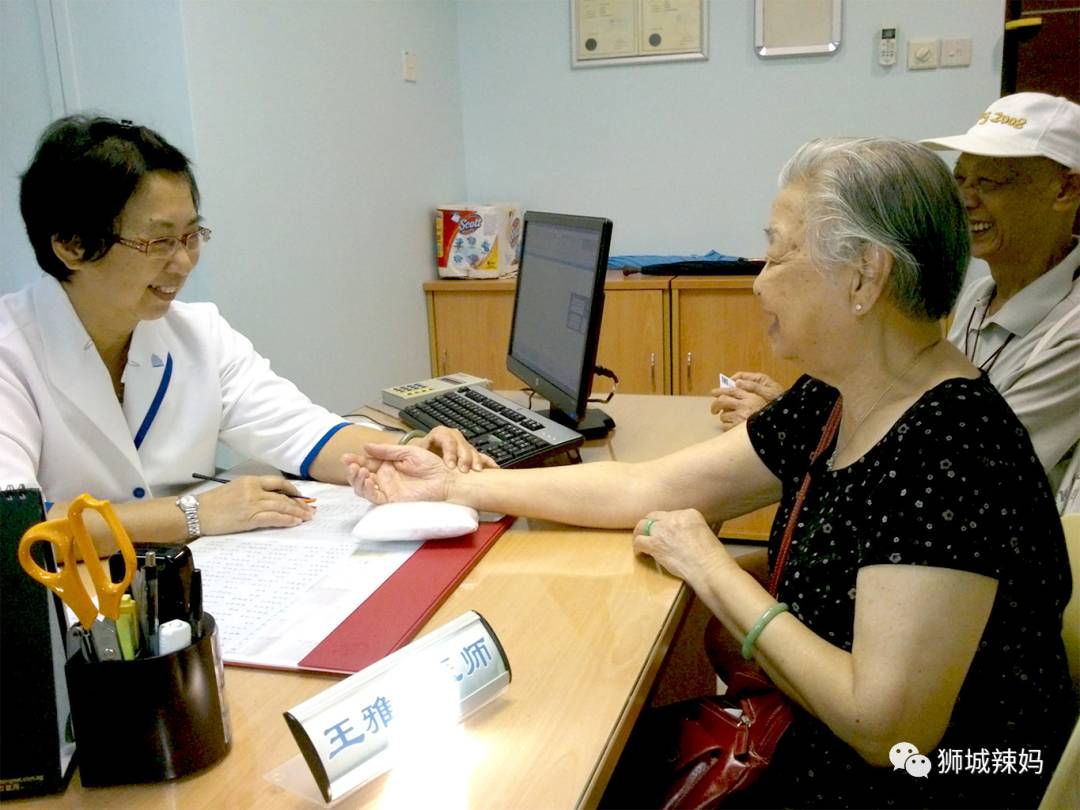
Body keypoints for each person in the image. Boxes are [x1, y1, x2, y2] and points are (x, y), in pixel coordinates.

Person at [344, 138, 1074, 807]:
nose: (759, 283)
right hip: (802, 732)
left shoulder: (951, 448)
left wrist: (712, 568)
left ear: (864, 276)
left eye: (779, 254)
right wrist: (452, 486)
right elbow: (651, 487)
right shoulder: (838, 394)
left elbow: (885, 728)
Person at [0, 114, 492, 552]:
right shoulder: (11, 353)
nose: (184, 262)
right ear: (71, 245)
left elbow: (302, 432)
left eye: (192, 235)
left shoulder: (197, 333)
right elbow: (16, 529)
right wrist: (193, 514)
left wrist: (405, 451)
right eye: (159, 241)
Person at [712, 92, 1080, 514]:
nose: (965, 200)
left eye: (990, 183)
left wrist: (793, 428)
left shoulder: (1071, 330)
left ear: (1066, 189)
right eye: (960, 180)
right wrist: (795, 418)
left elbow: (959, 458)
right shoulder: (981, 296)